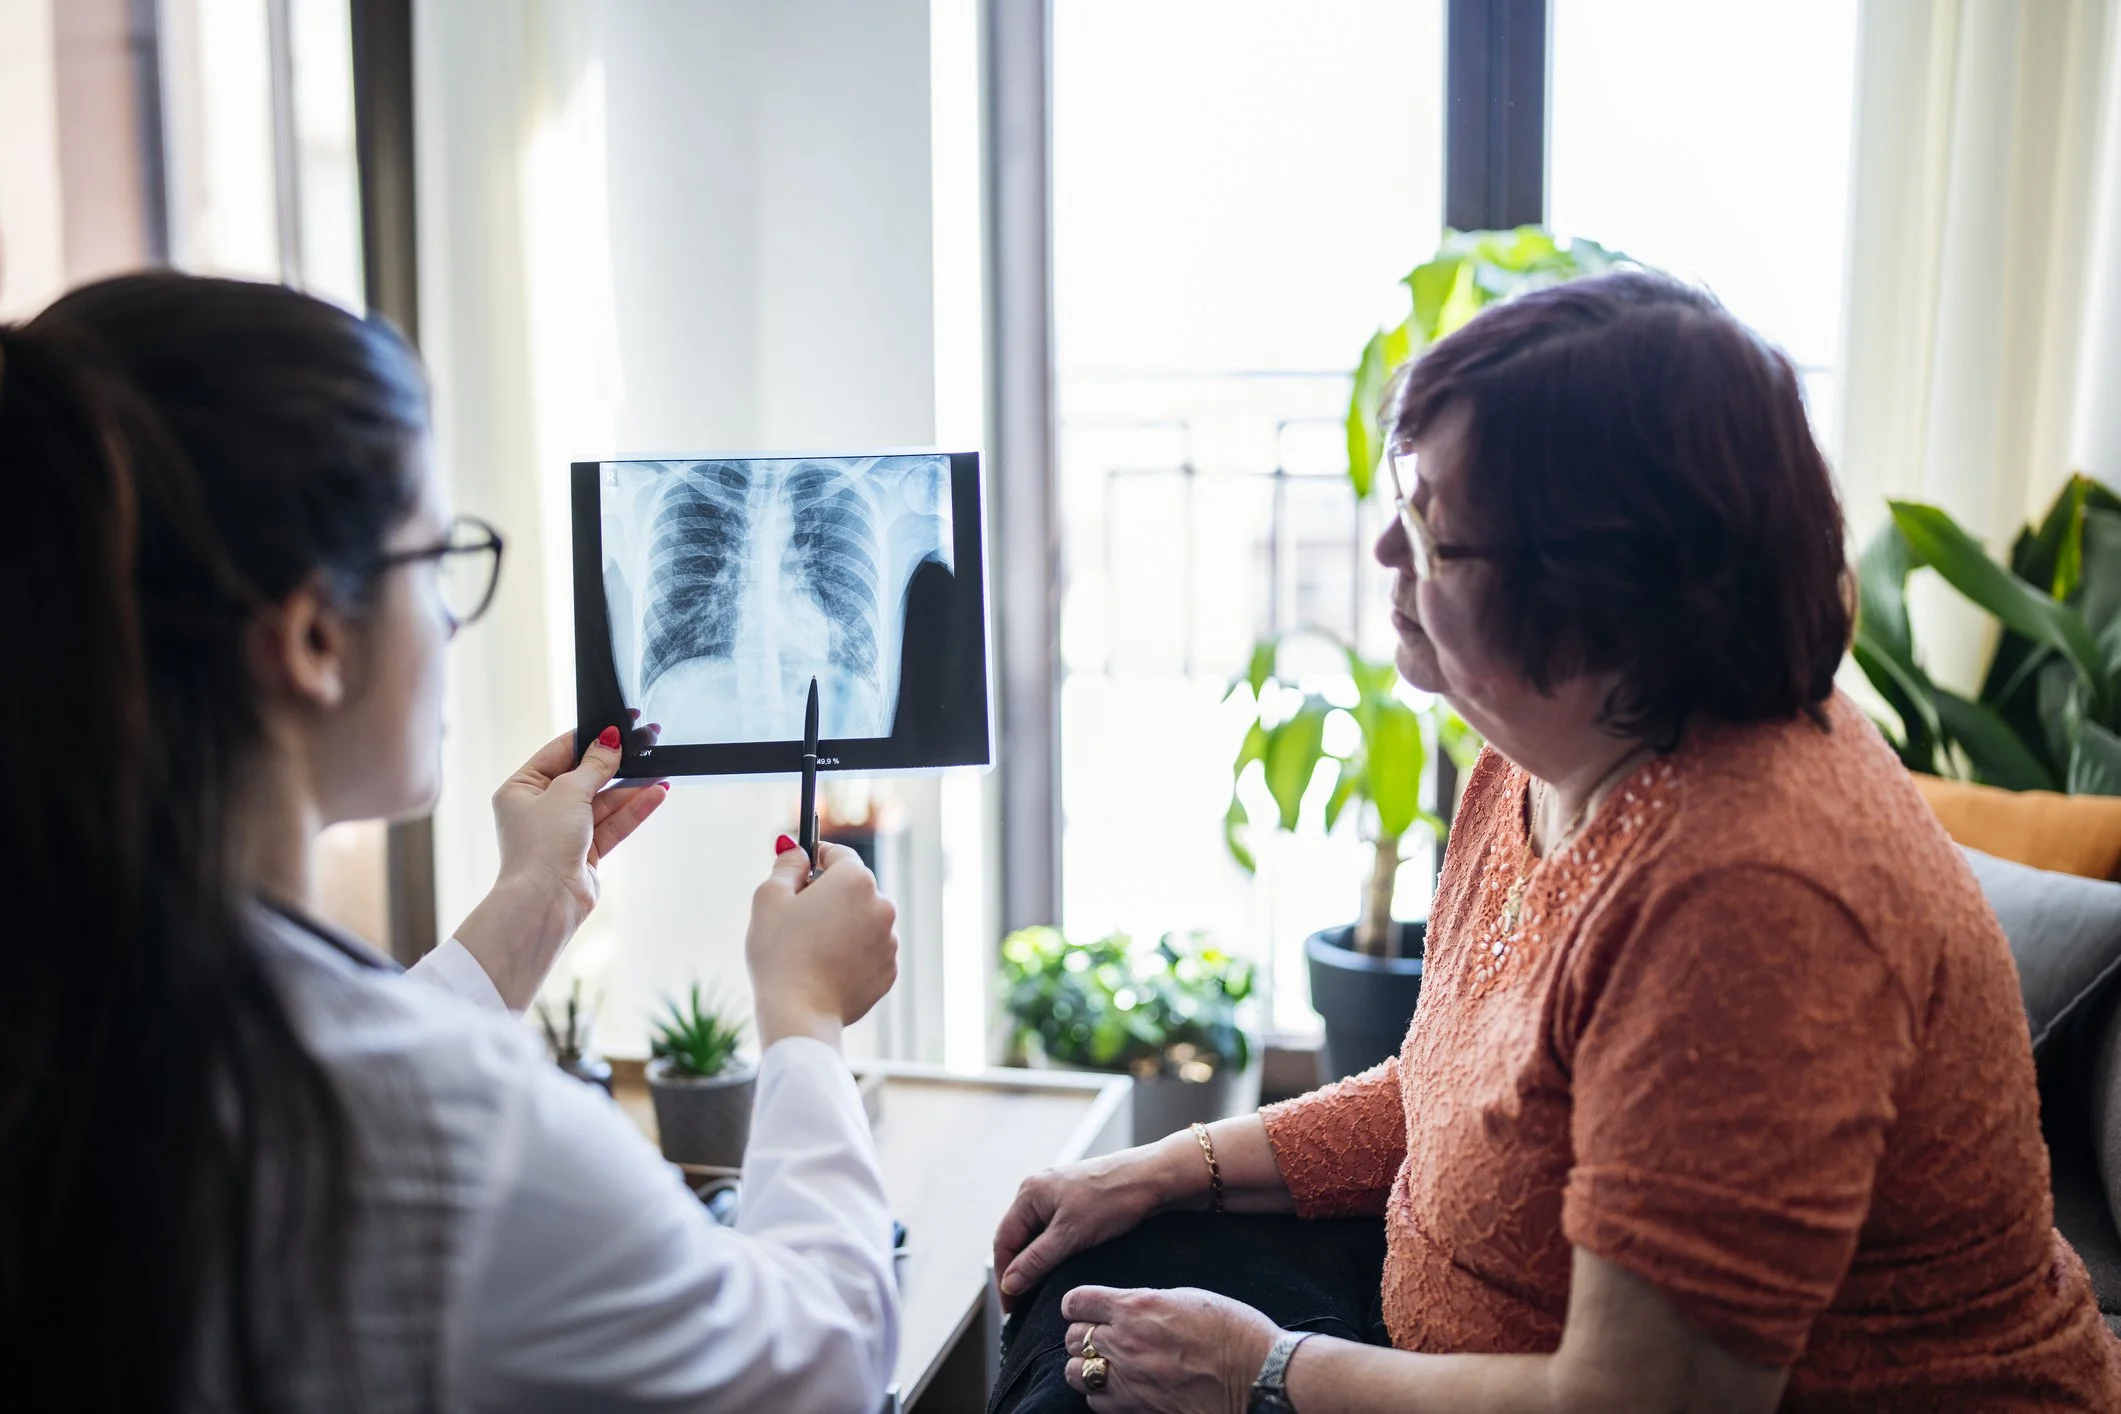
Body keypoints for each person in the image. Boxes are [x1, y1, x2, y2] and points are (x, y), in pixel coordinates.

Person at [989, 272, 2121, 1412]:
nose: (1383, 548)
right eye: (1401, 493)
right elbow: (1460, 1099)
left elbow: (1648, 1401)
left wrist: (1264, 1371)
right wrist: (1157, 1171)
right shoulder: (1543, 745)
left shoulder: (1752, 902)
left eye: (1434, 532)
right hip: (1456, 1319)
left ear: (1608, 593)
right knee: (1081, 1278)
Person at [0, 272, 901, 1412]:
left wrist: (529, 908)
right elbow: (821, 1364)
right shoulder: (451, 1135)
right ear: (317, 637)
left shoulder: (68, 994)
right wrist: (806, 1017)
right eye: (436, 562)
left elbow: (330, 1042)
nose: (446, 617)